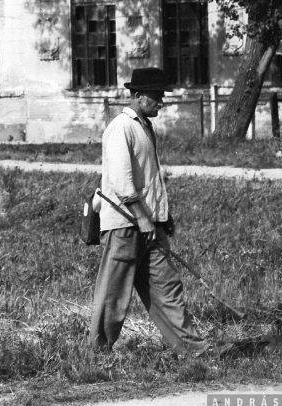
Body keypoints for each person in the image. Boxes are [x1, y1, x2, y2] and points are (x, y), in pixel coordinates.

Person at [90, 67, 213, 357]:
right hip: (124, 225)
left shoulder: (145, 126)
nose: (161, 102)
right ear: (137, 95)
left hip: (149, 225)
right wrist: (143, 218)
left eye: (162, 96)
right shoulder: (121, 127)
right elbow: (120, 180)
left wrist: (161, 217)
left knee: (167, 287)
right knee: (113, 293)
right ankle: (98, 354)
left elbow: (148, 179)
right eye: (156, 96)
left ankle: (194, 351)